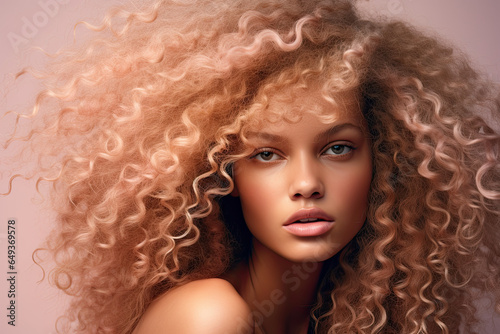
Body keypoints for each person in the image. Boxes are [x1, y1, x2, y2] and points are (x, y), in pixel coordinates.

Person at [3, 0, 499, 333]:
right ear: (226, 176)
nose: (306, 184)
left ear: (385, 162)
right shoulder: (208, 315)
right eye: (266, 154)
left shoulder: (345, 317)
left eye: (337, 149)